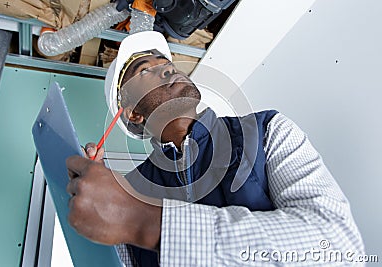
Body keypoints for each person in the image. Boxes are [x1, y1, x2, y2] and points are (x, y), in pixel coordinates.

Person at [66, 31, 364, 266]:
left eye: (167, 64)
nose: (168, 70)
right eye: (146, 71)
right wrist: (98, 203)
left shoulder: (268, 130)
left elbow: (337, 247)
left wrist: (145, 221)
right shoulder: (130, 189)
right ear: (132, 113)